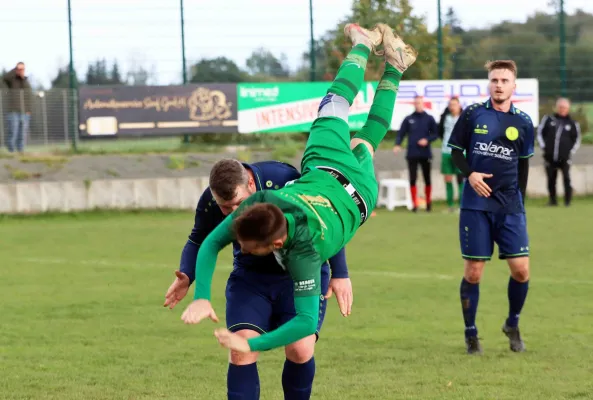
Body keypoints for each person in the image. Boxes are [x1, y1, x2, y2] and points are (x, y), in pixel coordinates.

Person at [179, 23, 418, 355]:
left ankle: (392, 65)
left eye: (249, 247)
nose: (242, 250)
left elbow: (305, 322)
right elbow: (211, 242)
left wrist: (252, 344)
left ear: (277, 243)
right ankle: (370, 52)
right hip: (324, 170)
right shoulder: (263, 199)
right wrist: (202, 296)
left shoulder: (306, 252)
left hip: (357, 193)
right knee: (339, 112)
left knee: (363, 140)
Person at [163, 159, 352, 400]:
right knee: (240, 349)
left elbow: (325, 216)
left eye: (239, 204)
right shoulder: (210, 200)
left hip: (299, 276)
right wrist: (188, 277)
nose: (235, 214)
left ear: (251, 183)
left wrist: (341, 273)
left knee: (301, 347)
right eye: (225, 208)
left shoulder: (283, 179)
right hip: (250, 279)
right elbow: (201, 239)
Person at [447, 60, 534, 355]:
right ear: (489, 83)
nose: (499, 84)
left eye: (504, 80)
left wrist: (519, 201)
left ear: (513, 85)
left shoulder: (523, 121)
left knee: (521, 270)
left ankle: (512, 323)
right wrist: (469, 174)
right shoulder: (473, 114)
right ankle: (471, 333)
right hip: (476, 204)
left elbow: (523, 164)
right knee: (473, 272)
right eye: (494, 80)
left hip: (509, 206)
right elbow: (456, 152)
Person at [393, 95, 439, 212]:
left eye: (420, 102)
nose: (418, 104)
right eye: (416, 103)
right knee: (413, 179)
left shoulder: (429, 118)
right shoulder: (409, 119)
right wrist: (397, 144)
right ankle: (415, 205)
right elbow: (401, 133)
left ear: (423, 104)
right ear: (414, 104)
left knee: (427, 178)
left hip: (425, 154)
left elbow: (435, 134)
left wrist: (427, 140)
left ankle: (428, 204)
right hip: (412, 153)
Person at [536, 97, 581, 207]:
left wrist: (570, 151)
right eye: (560, 107)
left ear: (568, 108)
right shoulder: (548, 119)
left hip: (565, 157)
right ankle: (553, 201)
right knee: (551, 179)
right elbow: (540, 133)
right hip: (549, 156)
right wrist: (544, 147)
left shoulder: (572, 123)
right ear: (557, 107)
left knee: (566, 178)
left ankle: (567, 201)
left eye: (565, 107)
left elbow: (577, 139)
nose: (562, 109)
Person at [438, 97, 465, 212]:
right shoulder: (445, 117)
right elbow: (440, 131)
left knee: (460, 179)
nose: (452, 107)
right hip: (446, 152)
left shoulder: (464, 118)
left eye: (454, 104)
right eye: (450, 104)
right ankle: (450, 205)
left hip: (460, 152)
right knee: (448, 178)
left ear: (459, 106)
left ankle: (462, 205)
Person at [2, 62, 33, 153]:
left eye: (22, 69)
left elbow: (29, 96)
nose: (21, 71)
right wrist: (15, 69)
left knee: (22, 133)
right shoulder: (12, 81)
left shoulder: (26, 81)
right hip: (13, 111)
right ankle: (11, 150)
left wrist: (29, 110)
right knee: (13, 131)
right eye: (19, 69)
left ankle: (20, 151)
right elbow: (5, 78)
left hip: (25, 112)